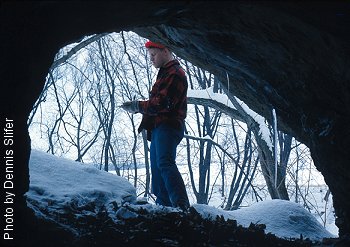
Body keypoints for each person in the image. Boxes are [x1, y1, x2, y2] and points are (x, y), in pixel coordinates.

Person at [121, 40, 190, 210]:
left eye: (153, 55)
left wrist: (137, 106)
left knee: (165, 163)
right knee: (157, 167)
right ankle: (163, 206)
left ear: (165, 51)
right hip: (160, 127)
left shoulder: (175, 73)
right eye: (150, 56)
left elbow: (162, 103)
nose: (151, 59)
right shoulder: (166, 73)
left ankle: (181, 206)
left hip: (169, 126)